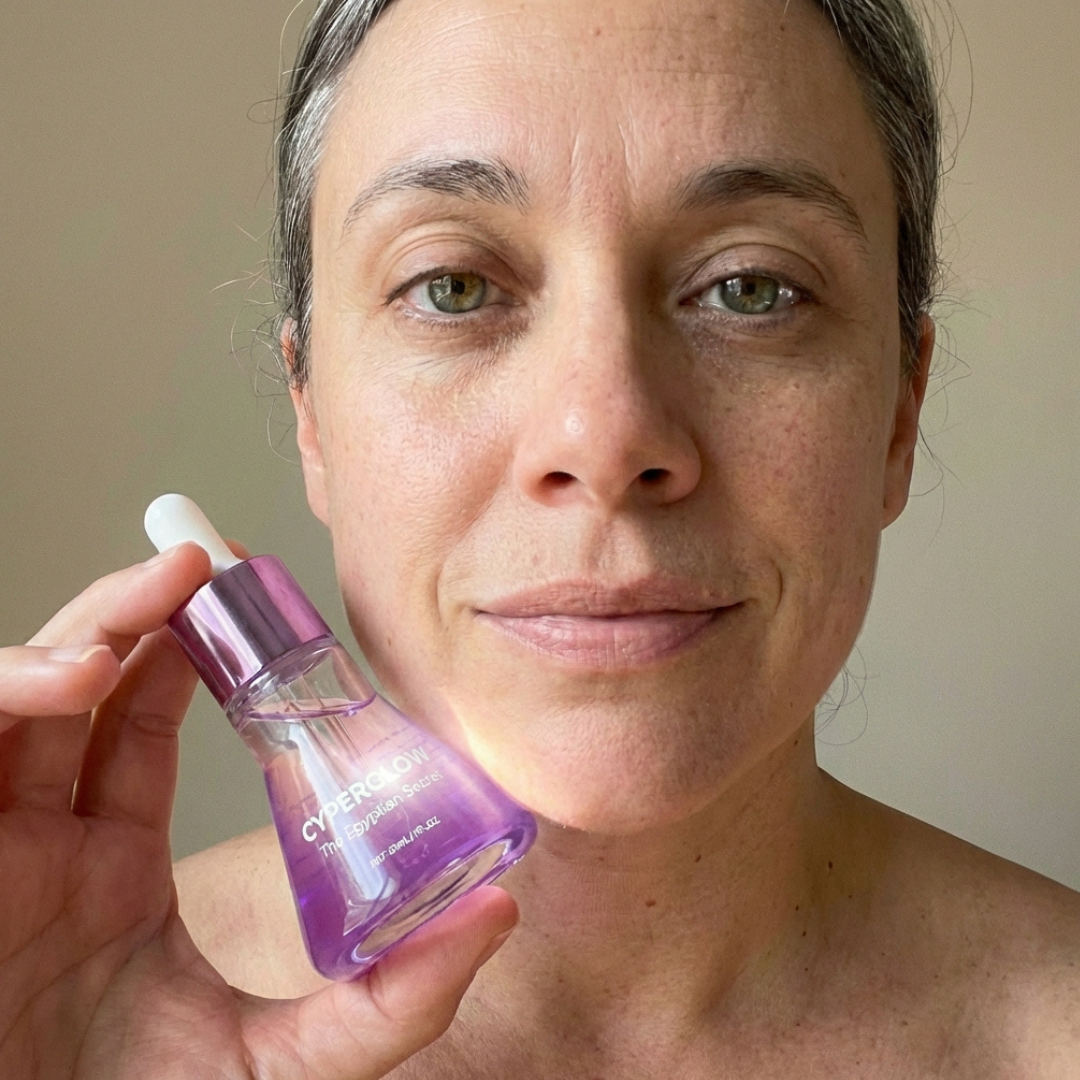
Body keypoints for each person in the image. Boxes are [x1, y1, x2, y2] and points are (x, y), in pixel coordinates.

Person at [3, 0, 1079, 1075]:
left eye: (750, 289)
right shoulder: (44, 1019)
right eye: (453, 287)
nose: (605, 437)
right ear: (311, 413)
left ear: (900, 409)